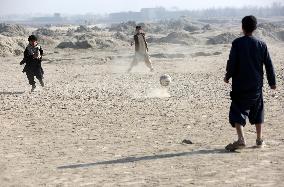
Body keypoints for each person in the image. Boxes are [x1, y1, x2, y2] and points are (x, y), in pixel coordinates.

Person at [224, 15, 276, 151]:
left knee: (237, 110)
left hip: (240, 85)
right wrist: (272, 82)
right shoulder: (262, 44)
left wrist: (227, 76)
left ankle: (241, 139)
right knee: (258, 110)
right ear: (255, 28)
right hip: (256, 86)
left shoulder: (237, 43)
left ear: (242, 27)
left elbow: (232, 63)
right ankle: (259, 140)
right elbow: (269, 65)